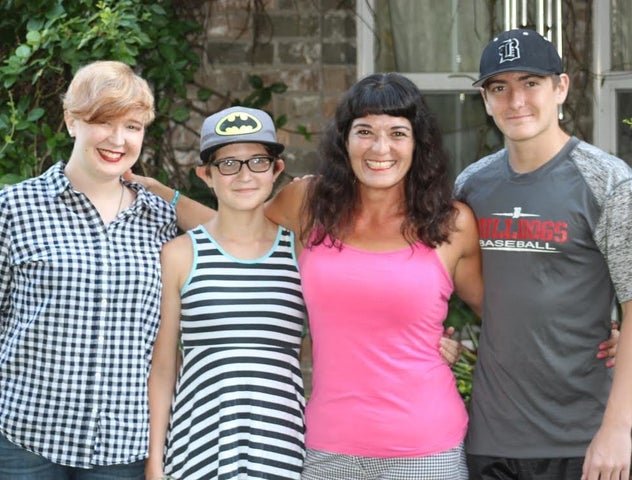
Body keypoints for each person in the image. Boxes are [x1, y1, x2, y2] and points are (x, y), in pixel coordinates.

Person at [134, 73, 483, 479]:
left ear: (418, 142)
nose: (380, 147)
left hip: (427, 448)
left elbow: (500, 318)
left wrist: (445, 343)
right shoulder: (310, 203)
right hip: (326, 448)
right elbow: (235, 227)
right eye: (364, 131)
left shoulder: (452, 222)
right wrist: (163, 194)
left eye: (398, 133)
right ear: (345, 141)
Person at [0, 60, 178, 480]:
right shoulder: (14, 208)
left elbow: (162, 348)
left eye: (132, 126)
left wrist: (156, 457)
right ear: (72, 121)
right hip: (18, 443)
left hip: (121, 449)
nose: (117, 139)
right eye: (103, 122)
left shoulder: (160, 221)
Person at [454, 29, 632, 480]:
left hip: (582, 439)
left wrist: (617, 429)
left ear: (560, 88)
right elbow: (438, 275)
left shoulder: (608, 181)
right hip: (491, 437)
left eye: (531, 83)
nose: (515, 101)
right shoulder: (471, 186)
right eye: (499, 88)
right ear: (486, 101)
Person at [145, 107, 307, 480]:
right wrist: (156, 459)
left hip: (282, 444)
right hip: (198, 445)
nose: (245, 176)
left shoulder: (298, 251)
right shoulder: (180, 254)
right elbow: (165, 365)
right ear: (206, 175)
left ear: (276, 170)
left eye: (258, 162)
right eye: (229, 164)